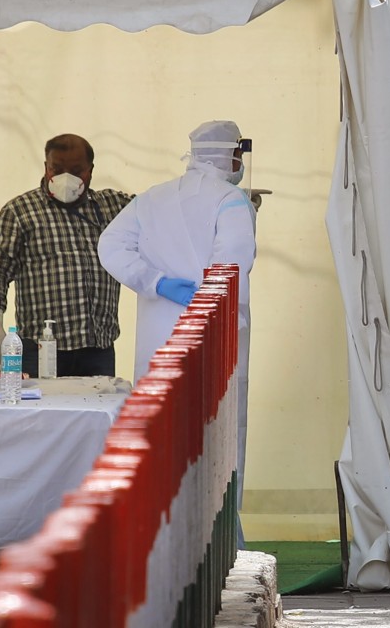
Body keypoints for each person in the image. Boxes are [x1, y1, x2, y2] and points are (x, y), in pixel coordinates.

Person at [98, 120, 256, 543]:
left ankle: (162, 541)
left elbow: (110, 247)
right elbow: (233, 264)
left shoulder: (151, 199)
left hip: (159, 339)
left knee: (164, 438)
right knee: (216, 438)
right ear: (232, 156)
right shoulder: (231, 200)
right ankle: (220, 544)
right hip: (213, 337)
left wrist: (156, 283)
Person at [0, 134, 133, 378]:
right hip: (41, 347)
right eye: (57, 168)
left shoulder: (112, 207)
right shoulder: (20, 211)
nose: (66, 178)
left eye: (76, 170)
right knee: (42, 413)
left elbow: (154, 214)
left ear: (90, 171)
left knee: (97, 413)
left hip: (98, 347)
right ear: (46, 167)